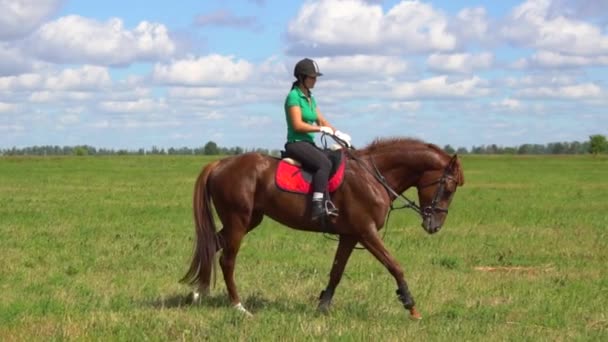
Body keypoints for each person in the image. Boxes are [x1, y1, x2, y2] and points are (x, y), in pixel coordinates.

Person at [284, 58, 351, 220]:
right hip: (296, 143)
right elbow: (297, 125)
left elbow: (322, 121)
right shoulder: (294, 97)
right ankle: (317, 205)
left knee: (335, 157)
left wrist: (338, 134)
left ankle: (330, 200)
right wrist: (320, 129)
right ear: (302, 78)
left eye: (315, 77)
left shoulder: (310, 98)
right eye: (312, 77)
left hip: (309, 143)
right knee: (324, 163)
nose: (315, 80)